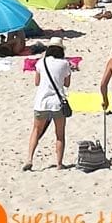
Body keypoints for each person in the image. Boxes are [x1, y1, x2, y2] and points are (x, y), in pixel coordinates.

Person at [24, 42, 72, 171]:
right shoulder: (65, 64)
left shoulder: (41, 62)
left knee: (36, 131)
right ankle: (59, 163)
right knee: (60, 134)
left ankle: (29, 159)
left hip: (41, 102)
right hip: (57, 103)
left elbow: (37, 82)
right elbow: (67, 84)